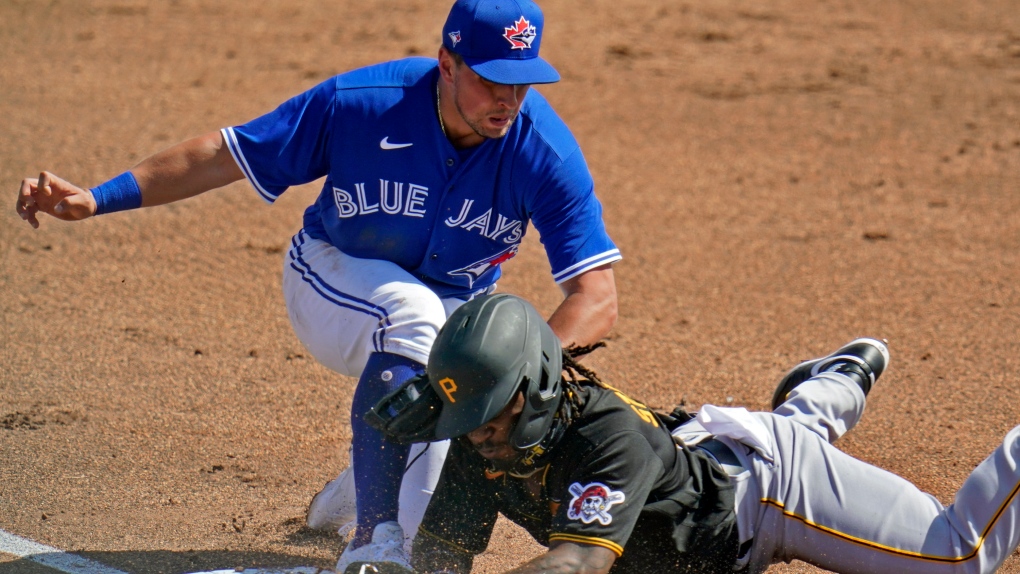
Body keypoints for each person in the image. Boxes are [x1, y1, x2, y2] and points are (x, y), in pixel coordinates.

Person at [14, 0, 621, 571]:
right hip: (332, 278)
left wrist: (511, 374)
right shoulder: (364, 103)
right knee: (412, 314)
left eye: (522, 82)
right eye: (491, 80)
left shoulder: (542, 150)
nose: (509, 99)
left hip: (450, 320)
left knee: (426, 514)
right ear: (447, 65)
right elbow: (226, 153)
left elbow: (595, 297)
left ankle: (360, 494)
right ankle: (371, 536)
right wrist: (99, 197)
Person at [368, 293, 1020, 574]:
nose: (479, 435)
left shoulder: (602, 433)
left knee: (957, 557)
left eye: (490, 415)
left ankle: (821, 398)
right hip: (702, 465)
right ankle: (830, 384)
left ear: (534, 386)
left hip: (767, 496)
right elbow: (442, 558)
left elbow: (580, 561)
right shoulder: (478, 437)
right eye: (467, 420)